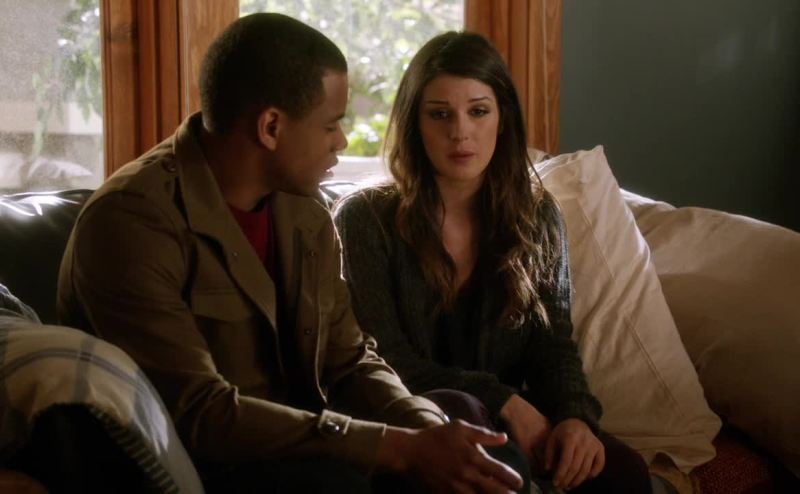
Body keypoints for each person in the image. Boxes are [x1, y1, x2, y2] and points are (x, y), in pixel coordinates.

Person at [57, 14, 525, 494]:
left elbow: (349, 360)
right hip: (219, 463)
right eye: (331, 125)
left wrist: (428, 430)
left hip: (315, 441)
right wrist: (395, 448)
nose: (342, 141)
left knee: (477, 438)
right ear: (271, 126)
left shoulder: (302, 207)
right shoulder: (133, 221)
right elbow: (200, 414)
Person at [333, 31, 653, 493]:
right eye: (439, 114)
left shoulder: (537, 216)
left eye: (478, 111)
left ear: (502, 119)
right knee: (465, 416)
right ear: (414, 123)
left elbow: (553, 346)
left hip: (504, 426)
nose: (460, 132)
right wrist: (504, 400)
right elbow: (382, 360)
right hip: (410, 427)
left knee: (621, 471)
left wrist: (575, 417)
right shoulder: (364, 219)